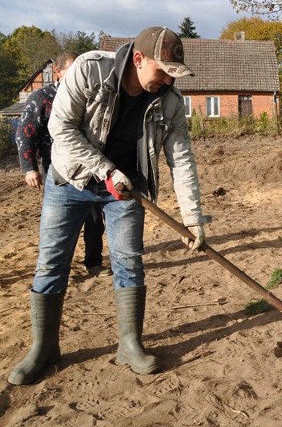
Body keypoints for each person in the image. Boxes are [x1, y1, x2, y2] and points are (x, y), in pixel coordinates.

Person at [8, 26, 206, 385]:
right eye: (162, 71)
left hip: (127, 191)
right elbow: (61, 129)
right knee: (52, 261)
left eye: (173, 74)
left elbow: (182, 159)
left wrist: (192, 218)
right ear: (138, 59)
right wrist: (106, 169)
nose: (167, 80)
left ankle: (129, 344)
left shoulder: (170, 102)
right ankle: (44, 347)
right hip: (70, 180)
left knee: (129, 262)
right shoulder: (89, 70)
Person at [15, 51, 106, 276]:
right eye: (73, 69)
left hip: (90, 167)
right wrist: (29, 168)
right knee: (62, 224)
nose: (80, 74)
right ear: (58, 71)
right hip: (57, 170)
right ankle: (59, 266)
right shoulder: (42, 98)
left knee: (95, 220)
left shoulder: (90, 94)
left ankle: (93, 262)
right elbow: (26, 133)